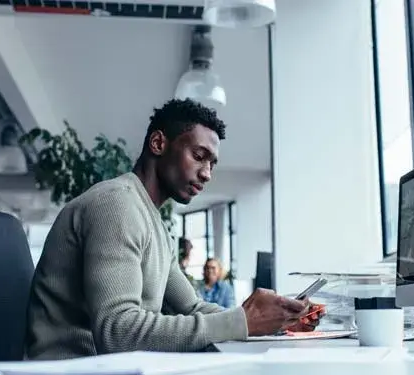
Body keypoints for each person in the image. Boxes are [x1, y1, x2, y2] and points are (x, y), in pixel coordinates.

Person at [24, 99, 324, 359]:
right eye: (199, 155)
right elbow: (118, 332)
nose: (207, 174)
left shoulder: (152, 222)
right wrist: (243, 321)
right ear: (158, 144)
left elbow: (193, 307)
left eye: (213, 163)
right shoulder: (117, 205)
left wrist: (275, 322)